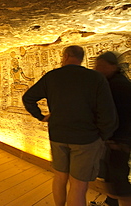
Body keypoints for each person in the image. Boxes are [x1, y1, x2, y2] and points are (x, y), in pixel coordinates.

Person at [22, 45, 118, 206]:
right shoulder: (96, 78)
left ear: (65, 56)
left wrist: (41, 116)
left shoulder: (52, 77)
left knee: (59, 177)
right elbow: (108, 113)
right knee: (78, 185)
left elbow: (28, 98)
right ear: (81, 58)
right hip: (85, 139)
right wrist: (102, 136)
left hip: (58, 136)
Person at [95, 51, 131, 206]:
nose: (98, 69)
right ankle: (111, 203)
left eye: (102, 66)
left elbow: (123, 115)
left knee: (119, 181)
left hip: (119, 141)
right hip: (115, 139)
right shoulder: (113, 83)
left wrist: (118, 140)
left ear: (113, 67)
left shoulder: (119, 85)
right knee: (111, 176)